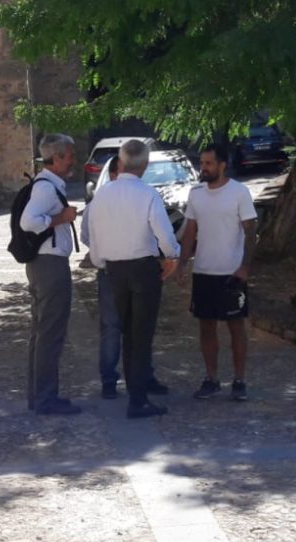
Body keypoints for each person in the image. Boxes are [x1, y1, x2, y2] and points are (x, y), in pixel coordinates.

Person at [88, 140, 180, 418]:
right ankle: (138, 399)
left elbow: (93, 235)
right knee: (141, 334)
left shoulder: (102, 195)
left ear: (120, 161)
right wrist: (172, 256)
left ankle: (135, 394)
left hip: (114, 269)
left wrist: (101, 262)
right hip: (143, 269)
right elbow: (165, 234)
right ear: (145, 164)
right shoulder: (148, 194)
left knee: (127, 332)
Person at [177, 144, 258, 401]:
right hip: (203, 271)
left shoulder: (239, 192)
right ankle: (211, 379)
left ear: (222, 165)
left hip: (231, 272)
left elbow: (251, 232)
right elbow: (190, 231)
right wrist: (182, 263)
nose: (204, 168)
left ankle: (239, 380)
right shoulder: (196, 194)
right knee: (206, 327)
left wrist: (245, 266)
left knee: (236, 326)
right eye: (202, 163)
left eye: (209, 163)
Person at [20, 133, 81, 415]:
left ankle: (38, 396)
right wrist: (61, 218)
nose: (73, 160)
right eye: (70, 155)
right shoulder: (46, 188)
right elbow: (28, 222)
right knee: (50, 333)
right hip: (50, 266)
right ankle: (46, 399)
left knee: (41, 331)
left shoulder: (46, 183)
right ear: (56, 158)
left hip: (43, 264)